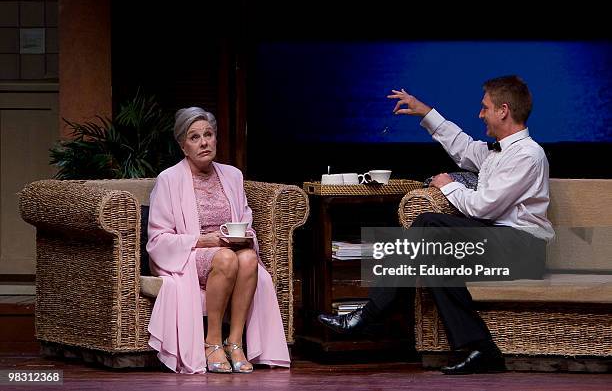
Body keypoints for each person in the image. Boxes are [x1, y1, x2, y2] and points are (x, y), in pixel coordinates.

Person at [318, 75, 554, 374]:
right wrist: (424, 112)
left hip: (524, 248)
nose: (480, 114)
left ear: (503, 110)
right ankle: (481, 348)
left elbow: (484, 206)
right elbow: (464, 147)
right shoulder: (500, 152)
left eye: (485, 108)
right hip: (499, 240)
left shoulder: (527, 155)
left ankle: (373, 312)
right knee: (433, 254)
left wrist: (447, 185)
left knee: (427, 224)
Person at [146, 107, 290, 374]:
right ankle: (211, 341)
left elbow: (246, 220)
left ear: (216, 139)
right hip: (189, 255)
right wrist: (205, 241)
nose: (204, 142)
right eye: (194, 137)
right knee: (225, 257)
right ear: (183, 146)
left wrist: (243, 237)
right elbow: (158, 240)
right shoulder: (168, 180)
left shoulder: (233, 176)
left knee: (248, 258)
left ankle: (234, 342)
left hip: (229, 252)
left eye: (208, 135)